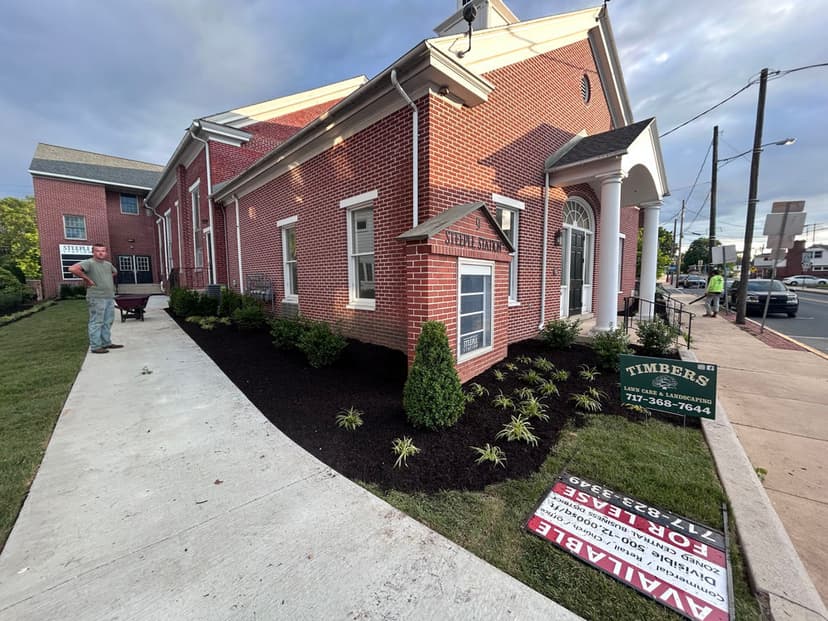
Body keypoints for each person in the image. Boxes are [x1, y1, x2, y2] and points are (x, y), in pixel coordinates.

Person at [69, 243, 124, 353]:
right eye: (98, 250)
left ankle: (106, 343)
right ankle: (95, 346)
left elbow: (115, 272)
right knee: (96, 321)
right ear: (93, 252)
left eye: (103, 251)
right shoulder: (89, 263)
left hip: (109, 296)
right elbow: (73, 269)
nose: (101, 253)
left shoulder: (108, 265)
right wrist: (87, 279)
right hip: (96, 297)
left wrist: (105, 278)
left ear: (106, 252)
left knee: (107, 321)